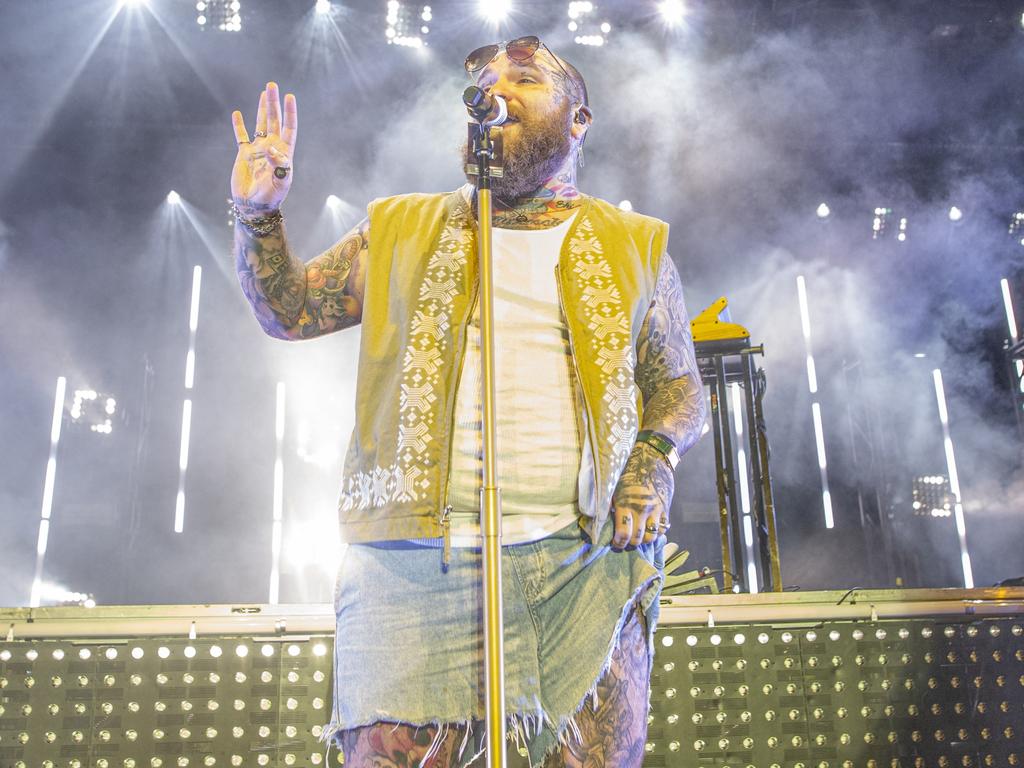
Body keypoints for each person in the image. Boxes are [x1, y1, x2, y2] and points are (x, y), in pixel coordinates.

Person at [229, 35, 706, 768]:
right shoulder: (398, 228)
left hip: (582, 562)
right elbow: (289, 310)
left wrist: (652, 461)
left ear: (578, 120)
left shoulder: (635, 243)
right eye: (485, 80)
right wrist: (256, 215)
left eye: (523, 78)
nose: (496, 88)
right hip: (414, 568)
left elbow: (676, 384)